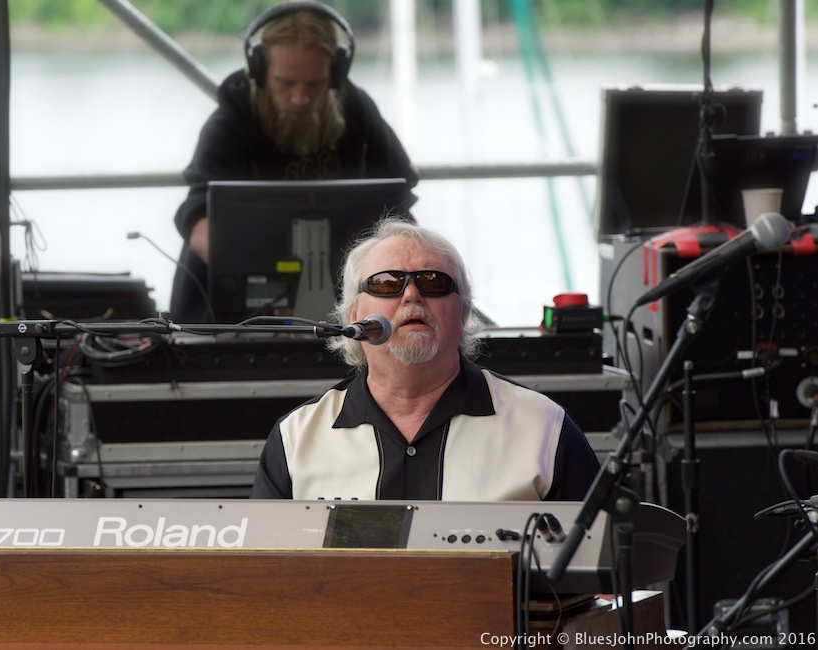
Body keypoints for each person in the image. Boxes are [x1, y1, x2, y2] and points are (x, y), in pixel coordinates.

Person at [250, 217, 600, 501]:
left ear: (462, 312)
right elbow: (261, 575)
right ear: (353, 314)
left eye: (433, 282)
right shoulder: (297, 438)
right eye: (387, 283)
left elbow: (604, 568)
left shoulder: (543, 427)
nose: (412, 294)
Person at [170, 1, 419, 323]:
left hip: (345, 307)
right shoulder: (230, 122)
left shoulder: (358, 113)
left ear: (335, 73)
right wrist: (267, 287)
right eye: (286, 83)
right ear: (260, 70)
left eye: (313, 84)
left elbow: (399, 206)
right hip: (235, 316)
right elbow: (198, 223)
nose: (300, 97)